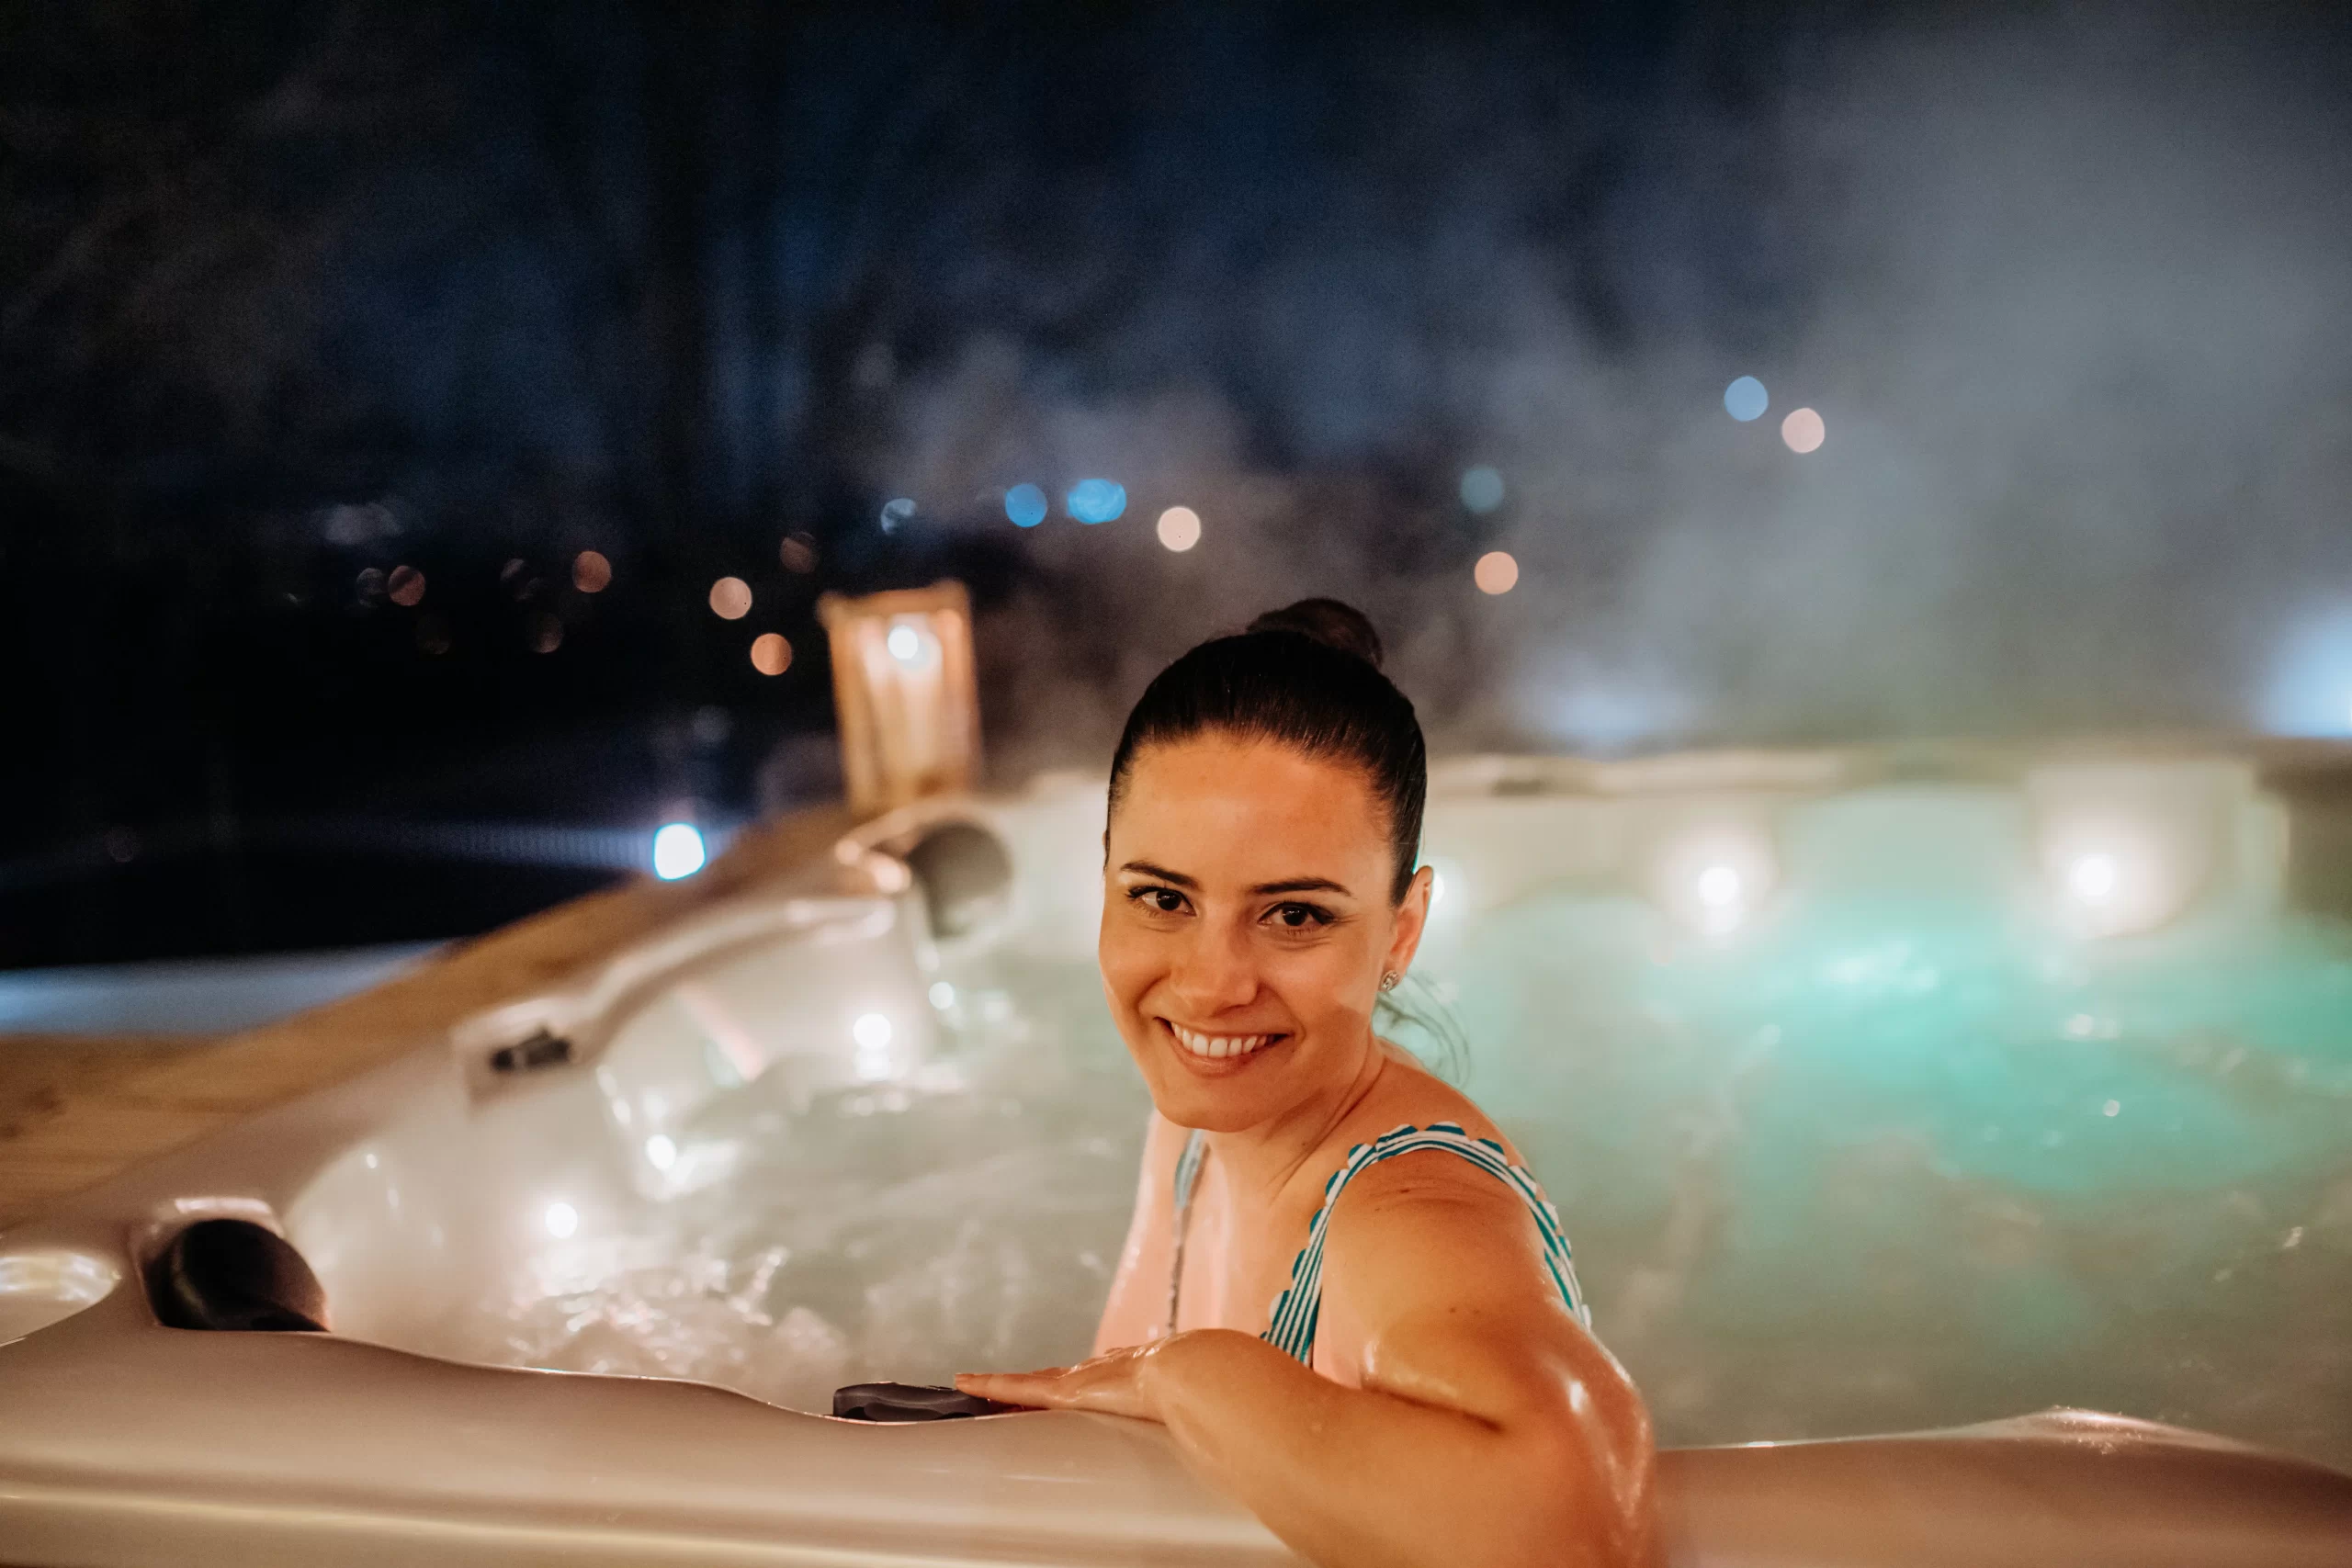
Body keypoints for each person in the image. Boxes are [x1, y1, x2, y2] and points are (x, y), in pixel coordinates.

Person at [957, 600, 1658, 1567]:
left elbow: (1568, 1525)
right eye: (1162, 898)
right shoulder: (1196, 1124)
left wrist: (1186, 1372)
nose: (1209, 985)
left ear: (1400, 933)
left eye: (1293, 916)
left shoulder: (1407, 1205)